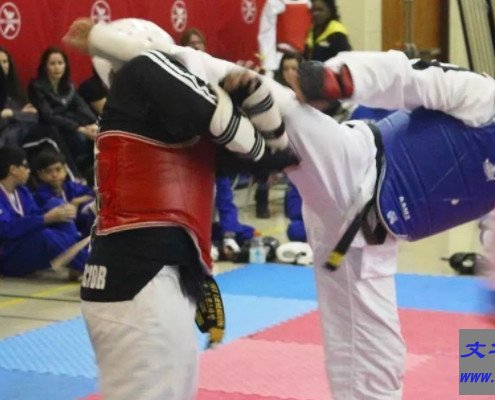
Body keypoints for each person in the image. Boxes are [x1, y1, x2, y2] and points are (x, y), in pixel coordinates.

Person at [64, 17, 495, 400]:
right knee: (271, 99)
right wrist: (334, 78)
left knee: (378, 367)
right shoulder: (481, 96)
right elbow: (404, 75)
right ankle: (123, 47)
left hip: (370, 242)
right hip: (355, 164)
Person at [62, 17, 291, 400]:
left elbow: (261, 158)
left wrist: (251, 115)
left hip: (154, 281)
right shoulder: (140, 73)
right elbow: (249, 143)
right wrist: (253, 123)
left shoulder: (161, 122)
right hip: (139, 283)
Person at [0, 147, 88, 278]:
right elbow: (5, 229)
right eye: (25, 166)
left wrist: (58, 212)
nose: (29, 170)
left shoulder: (22, 191)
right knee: (46, 236)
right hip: (7, 258)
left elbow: (35, 215)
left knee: (58, 205)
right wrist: (46, 218)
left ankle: (77, 263)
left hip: (24, 244)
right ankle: (88, 264)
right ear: (13, 169)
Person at [28, 47, 98, 176]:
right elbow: (48, 115)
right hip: (50, 127)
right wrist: (79, 128)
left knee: (97, 135)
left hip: (70, 123)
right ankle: (76, 173)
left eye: (60, 63)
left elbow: (82, 106)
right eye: (52, 64)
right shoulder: (36, 87)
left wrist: (94, 124)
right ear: (45, 66)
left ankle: (92, 171)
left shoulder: (69, 85)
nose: (57, 68)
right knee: (79, 138)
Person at [32, 150, 96, 238]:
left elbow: (93, 192)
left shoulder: (71, 186)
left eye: (58, 169)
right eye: (48, 171)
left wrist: (76, 201)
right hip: (60, 234)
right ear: (40, 175)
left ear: (65, 169)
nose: (54, 175)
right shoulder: (40, 195)